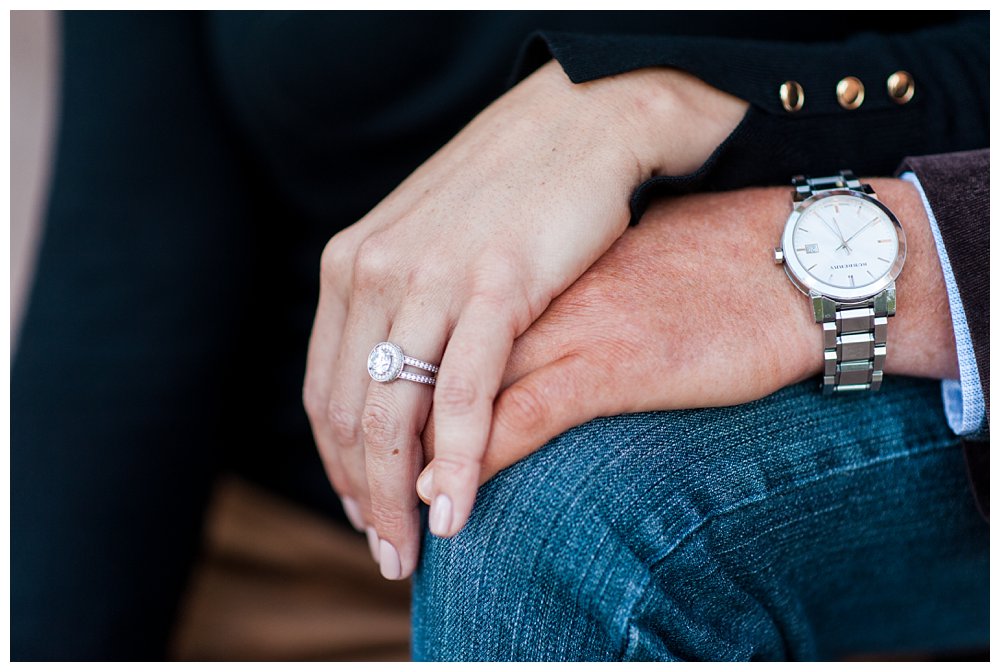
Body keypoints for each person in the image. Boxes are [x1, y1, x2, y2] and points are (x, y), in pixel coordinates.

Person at [12, 11, 986, 661]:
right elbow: (121, 280)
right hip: (303, 526)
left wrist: (667, 98)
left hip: (868, 380)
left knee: (563, 506)